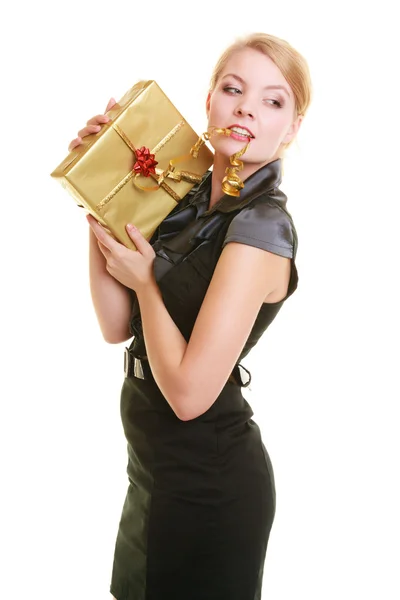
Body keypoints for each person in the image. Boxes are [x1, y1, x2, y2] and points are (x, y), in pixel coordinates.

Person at [68, 32, 312, 600]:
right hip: (151, 473)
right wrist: (98, 186)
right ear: (209, 103)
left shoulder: (261, 229)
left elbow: (188, 395)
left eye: (274, 101)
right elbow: (113, 326)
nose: (247, 107)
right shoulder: (185, 201)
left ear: (291, 129)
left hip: (210, 484)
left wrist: (147, 284)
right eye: (233, 89)